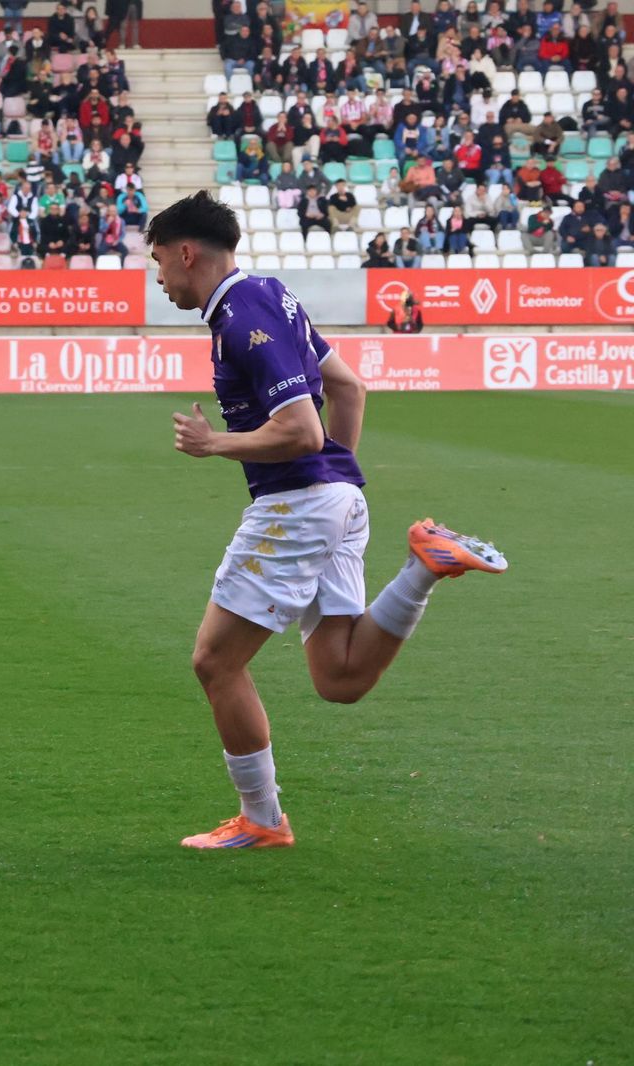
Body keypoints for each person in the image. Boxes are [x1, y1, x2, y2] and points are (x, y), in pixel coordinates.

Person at [145, 191, 508, 851]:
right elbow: (349, 388)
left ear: (186, 252)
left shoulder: (239, 314)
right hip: (333, 501)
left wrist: (216, 444)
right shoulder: (273, 295)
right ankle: (423, 567)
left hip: (299, 505)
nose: (160, 276)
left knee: (214, 662)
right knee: (338, 677)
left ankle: (262, 820)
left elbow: (302, 431)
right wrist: (336, 483)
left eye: (159, 261)